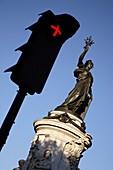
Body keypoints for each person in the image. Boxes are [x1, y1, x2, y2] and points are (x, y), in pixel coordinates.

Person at [55, 44, 94, 119]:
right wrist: (85, 51)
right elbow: (80, 60)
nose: (90, 66)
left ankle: (74, 110)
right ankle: (66, 106)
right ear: (87, 64)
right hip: (79, 86)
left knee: (80, 101)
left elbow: (90, 86)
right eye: (90, 64)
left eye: (91, 65)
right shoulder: (82, 68)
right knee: (74, 96)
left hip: (85, 91)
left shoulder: (90, 76)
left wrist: (91, 94)